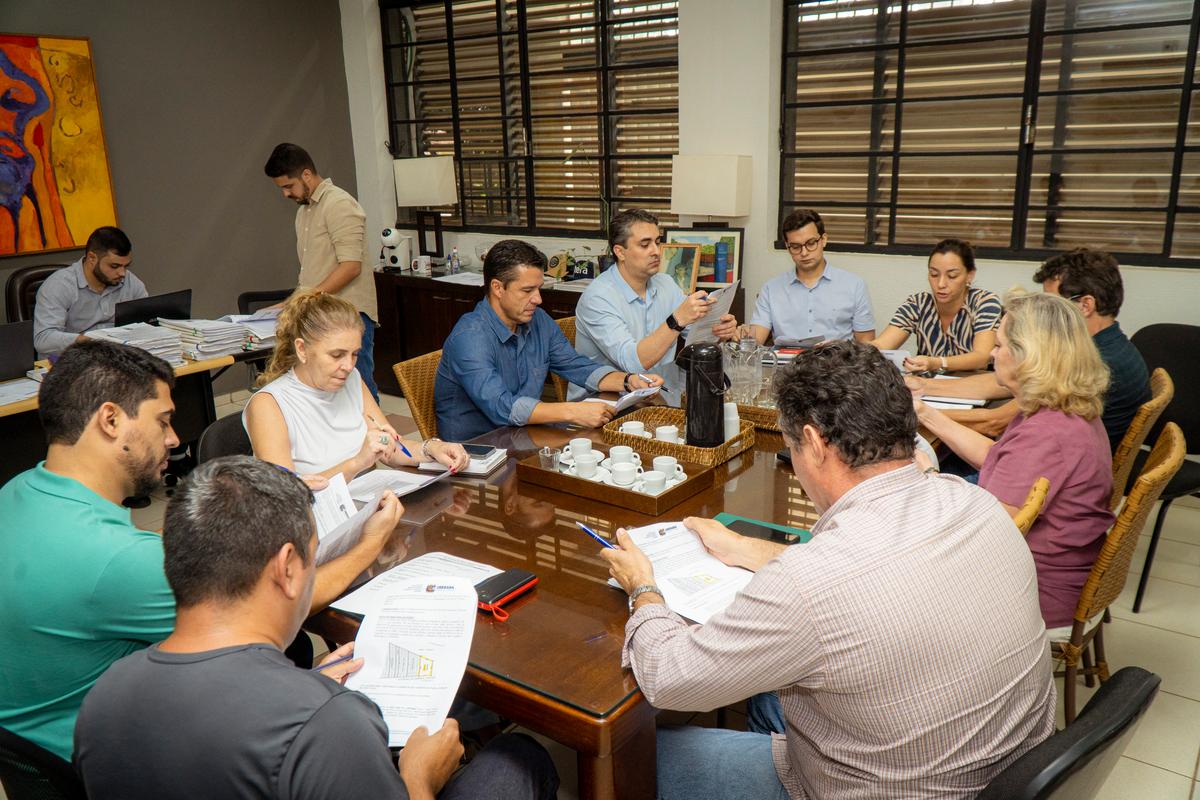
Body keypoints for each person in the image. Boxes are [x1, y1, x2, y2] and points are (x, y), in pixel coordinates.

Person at [600, 341, 1055, 800]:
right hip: (998, 771)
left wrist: (644, 586)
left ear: (815, 444)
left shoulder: (809, 584)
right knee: (770, 693)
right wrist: (745, 549)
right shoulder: (977, 504)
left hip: (887, 789)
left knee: (632, 753)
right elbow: (875, 571)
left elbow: (667, 677)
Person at [74, 456, 559, 800]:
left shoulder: (104, 695)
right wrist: (418, 778)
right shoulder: (327, 723)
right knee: (517, 758)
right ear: (287, 568)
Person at [0, 340, 177, 760]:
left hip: (42, 758)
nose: (173, 438)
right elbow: (257, 619)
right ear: (111, 419)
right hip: (120, 763)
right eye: (163, 421)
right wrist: (366, 542)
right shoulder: (121, 557)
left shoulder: (15, 491)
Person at [916, 292, 1115, 631]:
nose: (992, 354)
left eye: (1000, 345)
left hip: (1034, 591)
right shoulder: (1059, 407)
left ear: (1028, 357)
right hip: (1045, 567)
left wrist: (929, 476)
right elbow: (998, 460)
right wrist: (924, 413)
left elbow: (991, 531)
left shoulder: (1048, 434)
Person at [913, 248, 1151, 451]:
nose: (1040, 310)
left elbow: (995, 423)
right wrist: (923, 386)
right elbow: (997, 383)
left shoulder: (1093, 364)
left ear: (1085, 305)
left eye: (1050, 302)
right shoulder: (1108, 344)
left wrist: (915, 414)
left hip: (1047, 481)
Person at [435, 239, 662, 441]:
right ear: (497, 288)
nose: (538, 299)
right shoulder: (470, 338)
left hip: (523, 435)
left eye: (539, 288)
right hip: (476, 452)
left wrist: (628, 381)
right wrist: (572, 411)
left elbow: (574, 364)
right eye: (527, 290)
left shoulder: (537, 320)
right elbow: (502, 407)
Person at [245, 288, 469, 483]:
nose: (348, 366)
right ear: (302, 349)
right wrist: (357, 463)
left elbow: (392, 450)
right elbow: (284, 496)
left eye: (354, 354)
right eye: (336, 355)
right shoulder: (269, 405)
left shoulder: (351, 380)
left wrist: (432, 448)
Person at [572, 209, 737, 399]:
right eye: (645, 245)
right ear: (620, 252)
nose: (657, 252)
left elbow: (695, 335)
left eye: (657, 242)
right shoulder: (598, 298)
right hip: (606, 401)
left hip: (660, 393)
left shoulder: (665, 282)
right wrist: (677, 320)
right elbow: (633, 364)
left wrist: (719, 331)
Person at [264, 143, 380, 400]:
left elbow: (350, 266)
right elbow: (313, 273)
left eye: (288, 186)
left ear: (306, 175)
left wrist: (303, 300)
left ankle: (377, 438)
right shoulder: (304, 212)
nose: (285, 194)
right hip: (318, 315)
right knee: (328, 395)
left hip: (348, 316)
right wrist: (288, 303)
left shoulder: (339, 204)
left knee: (359, 393)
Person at [739, 208, 875, 345]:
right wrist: (739, 334)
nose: (804, 253)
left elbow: (866, 345)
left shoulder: (854, 285)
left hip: (836, 363)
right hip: (787, 364)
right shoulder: (771, 289)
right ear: (787, 247)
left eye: (811, 243)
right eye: (796, 246)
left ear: (823, 240)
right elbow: (755, 342)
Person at [872, 238, 1000, 372]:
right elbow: (881, 345)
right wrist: (859, 350)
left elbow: (982, 357)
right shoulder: (918, 303)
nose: (941, 284)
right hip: (926, 386)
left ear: (970, 275)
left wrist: (938, 362)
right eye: (934, 274)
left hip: (971, 387)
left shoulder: (984, 302)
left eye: (952, 276)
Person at [32, 226, 148, 358]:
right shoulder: (58, 285)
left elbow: (146, 322)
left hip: (118, 358)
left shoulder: (129, 281)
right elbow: (43, 340)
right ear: (92, 258)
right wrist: (88, 342)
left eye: (125, 266)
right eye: (114, 266)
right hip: (72, 360)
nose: (122, 273)